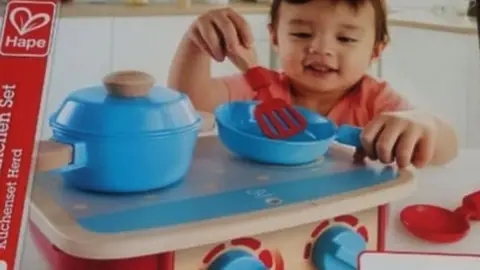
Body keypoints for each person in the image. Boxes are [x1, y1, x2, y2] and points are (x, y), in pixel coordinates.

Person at [167, 0, 458, 169]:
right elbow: (191, 103)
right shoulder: (259, 90)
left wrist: (422, 123)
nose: (320, 49)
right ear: (275, 38)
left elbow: (447, 149)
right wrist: (195, 44)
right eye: (302, 34)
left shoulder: (375, 100)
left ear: (375, 51)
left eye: (345, 39)